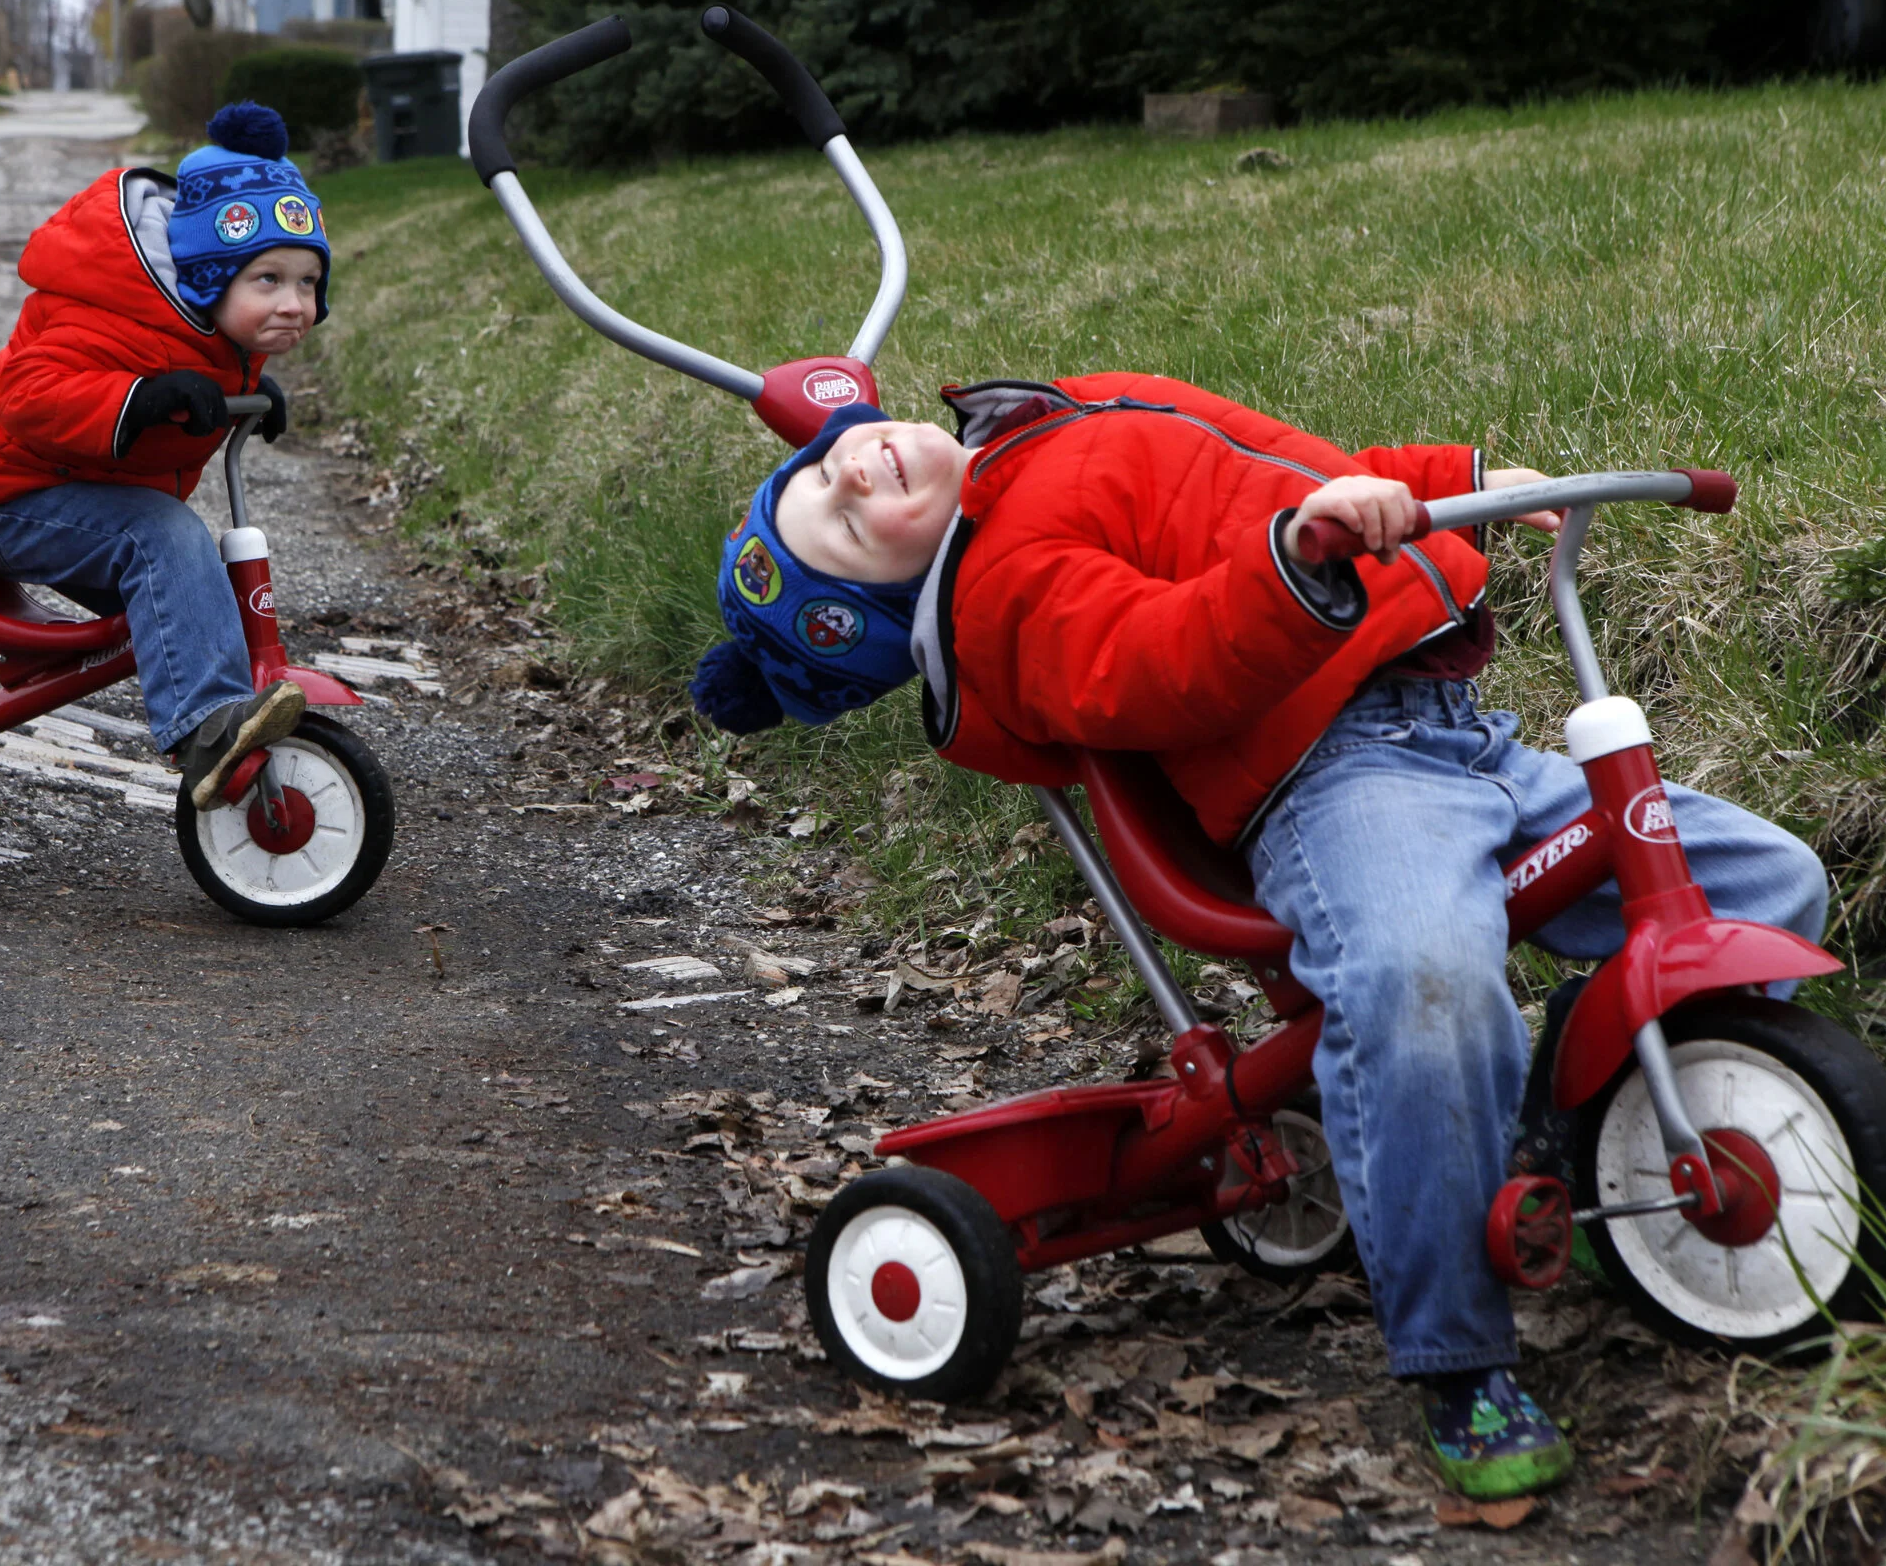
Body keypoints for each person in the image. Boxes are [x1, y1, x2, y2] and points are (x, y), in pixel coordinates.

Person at [690, 375, 1826, 1500]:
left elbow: (1282, 462)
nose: (845, 467)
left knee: (1769, 881)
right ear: (891, 603)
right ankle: (1462, 1361)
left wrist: (1455, 481)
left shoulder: (1058, 414)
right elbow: (1155, 659)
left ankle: (1589, 1147)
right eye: (841, 523)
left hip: (1463, 730)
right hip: (1333, 774)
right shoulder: (1004, 591)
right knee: (1419, 981)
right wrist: (1293, 564)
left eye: (818, 469)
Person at [0, 101, 332, 810]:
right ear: (207, 278)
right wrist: (138, 398)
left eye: (307, 282)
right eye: (268, 280)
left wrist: (247, 385)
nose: (295, 303)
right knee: (161, 537)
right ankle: (206, 730)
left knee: (192, 578)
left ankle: (225, 702)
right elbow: (28, 394)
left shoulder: (208, 328)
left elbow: (193, 356)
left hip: (59, 488)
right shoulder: (119, 310)